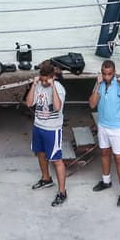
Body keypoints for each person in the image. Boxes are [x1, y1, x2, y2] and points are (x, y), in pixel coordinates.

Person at [89, 60, 120, 206]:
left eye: (109, 74)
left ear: (114, 72)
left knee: (119, 158)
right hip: (103, 125)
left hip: (118, 127)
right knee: (104, 153)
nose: (107, 76)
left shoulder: (119, 86)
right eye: (104, 74)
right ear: (101, 73)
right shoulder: (100, 84)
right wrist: (97, 85)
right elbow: (92, 104)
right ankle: (106, 181)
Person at [25, 62, 67, 206]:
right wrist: (34, 85)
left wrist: (53, 86)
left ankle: (62, 192)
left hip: (52, 129)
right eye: (41, 79)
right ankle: (46, 179)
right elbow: (29, 103)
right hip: (38, 126)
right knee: (40, 153)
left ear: (52, 77)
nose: (44, 83)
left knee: (56, 160)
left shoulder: (59, 89)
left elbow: (56, 107)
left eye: (46, 80)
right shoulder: (38, 86)